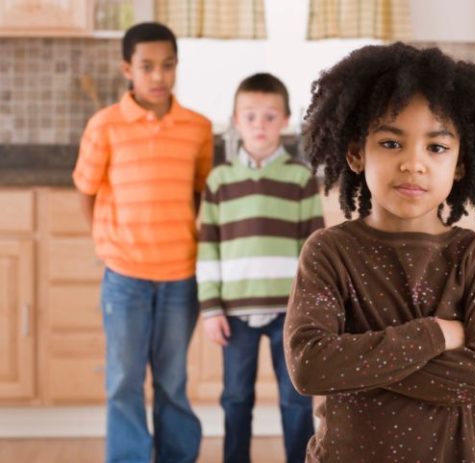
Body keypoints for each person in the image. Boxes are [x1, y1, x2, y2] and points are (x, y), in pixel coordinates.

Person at [284, 42, 475, 463]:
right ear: (357, 153)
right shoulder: (329, 251)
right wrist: (436, 334)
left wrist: (357, 362)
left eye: (436, 147)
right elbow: (310, 367)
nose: (414, 164)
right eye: (392, 144)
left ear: (461, 163)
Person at [72, 22, 212, 463]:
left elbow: (197, 191)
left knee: (172, 381)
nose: (158, 76)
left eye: (167, 66)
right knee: (124, 381)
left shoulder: (198, 127)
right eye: (147, 66)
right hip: (125, 278)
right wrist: (106, 240)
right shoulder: (105, 126)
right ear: (127, 69)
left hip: (179, 277)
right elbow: (87, 191)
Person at [197, 72, 322, 463]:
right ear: (235, 121)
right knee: (235, 399)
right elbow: (208, 250)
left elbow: (315, 252)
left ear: (285, 120)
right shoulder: (219, 181)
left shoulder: (301, 179)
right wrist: (210, 308)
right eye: (250, 117)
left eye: (270, 117)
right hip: (234, 313)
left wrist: (313, 309)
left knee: (295, 400)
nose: (260, 125)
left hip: (290, 313)